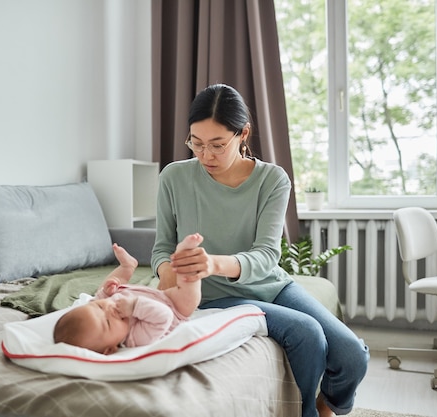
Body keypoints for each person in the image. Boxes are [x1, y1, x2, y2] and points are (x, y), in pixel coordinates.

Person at [152, 84, 369, 417]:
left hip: (271, 285)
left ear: (243, 134)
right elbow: (162, 247)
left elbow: (268, 255)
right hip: (213, 296)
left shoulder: (272, 179)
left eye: (217, 145)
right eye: (196, 143)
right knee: (307, 334)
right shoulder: (174, 177)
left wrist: (213, 263)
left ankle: (327, 406)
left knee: (352, 354)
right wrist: (166, 269)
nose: (205, 155)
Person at [53, 233, 203, 355]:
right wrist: (134, 307)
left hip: (145, 293)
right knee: (188, 299)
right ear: (111, 349)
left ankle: (126, 267)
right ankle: (186, 257)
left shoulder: (108, 306)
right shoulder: (135, 338)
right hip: (173, 307)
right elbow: (164, 316)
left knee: (104, 288)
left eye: (99, 307)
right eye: (108, 323)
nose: (108, 310)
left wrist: (106, 292)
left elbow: (98, 299)